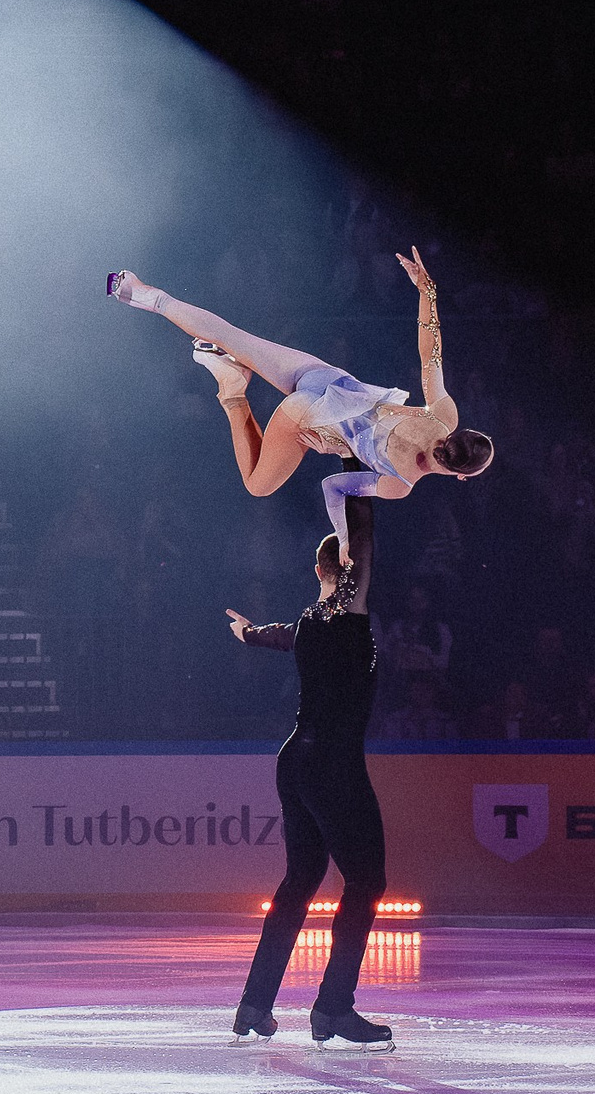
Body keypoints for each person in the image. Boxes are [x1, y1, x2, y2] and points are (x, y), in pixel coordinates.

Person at [109, 249, 493, 555]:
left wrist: (427, 293)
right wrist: (343, 541)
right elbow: (334, 487)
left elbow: (431, 356)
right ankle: (232, 389)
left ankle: (141, 293)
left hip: (329, 378)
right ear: (462, 475)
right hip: (306, 413)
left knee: (231, 334)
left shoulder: (443, 417)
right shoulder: (401, 483)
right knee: (258, 486)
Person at [223, 492, 395, 1050]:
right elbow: (363, 543)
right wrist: (358, 476)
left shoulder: (310, 623)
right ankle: (332, 1009)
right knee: (367, 881)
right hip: (333, 764)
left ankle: (254, 1006)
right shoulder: (347, 620)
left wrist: (248, 634)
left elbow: (278, 635)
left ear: (316, 570)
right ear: (346, 571)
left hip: (295, 758)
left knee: (301, 881)